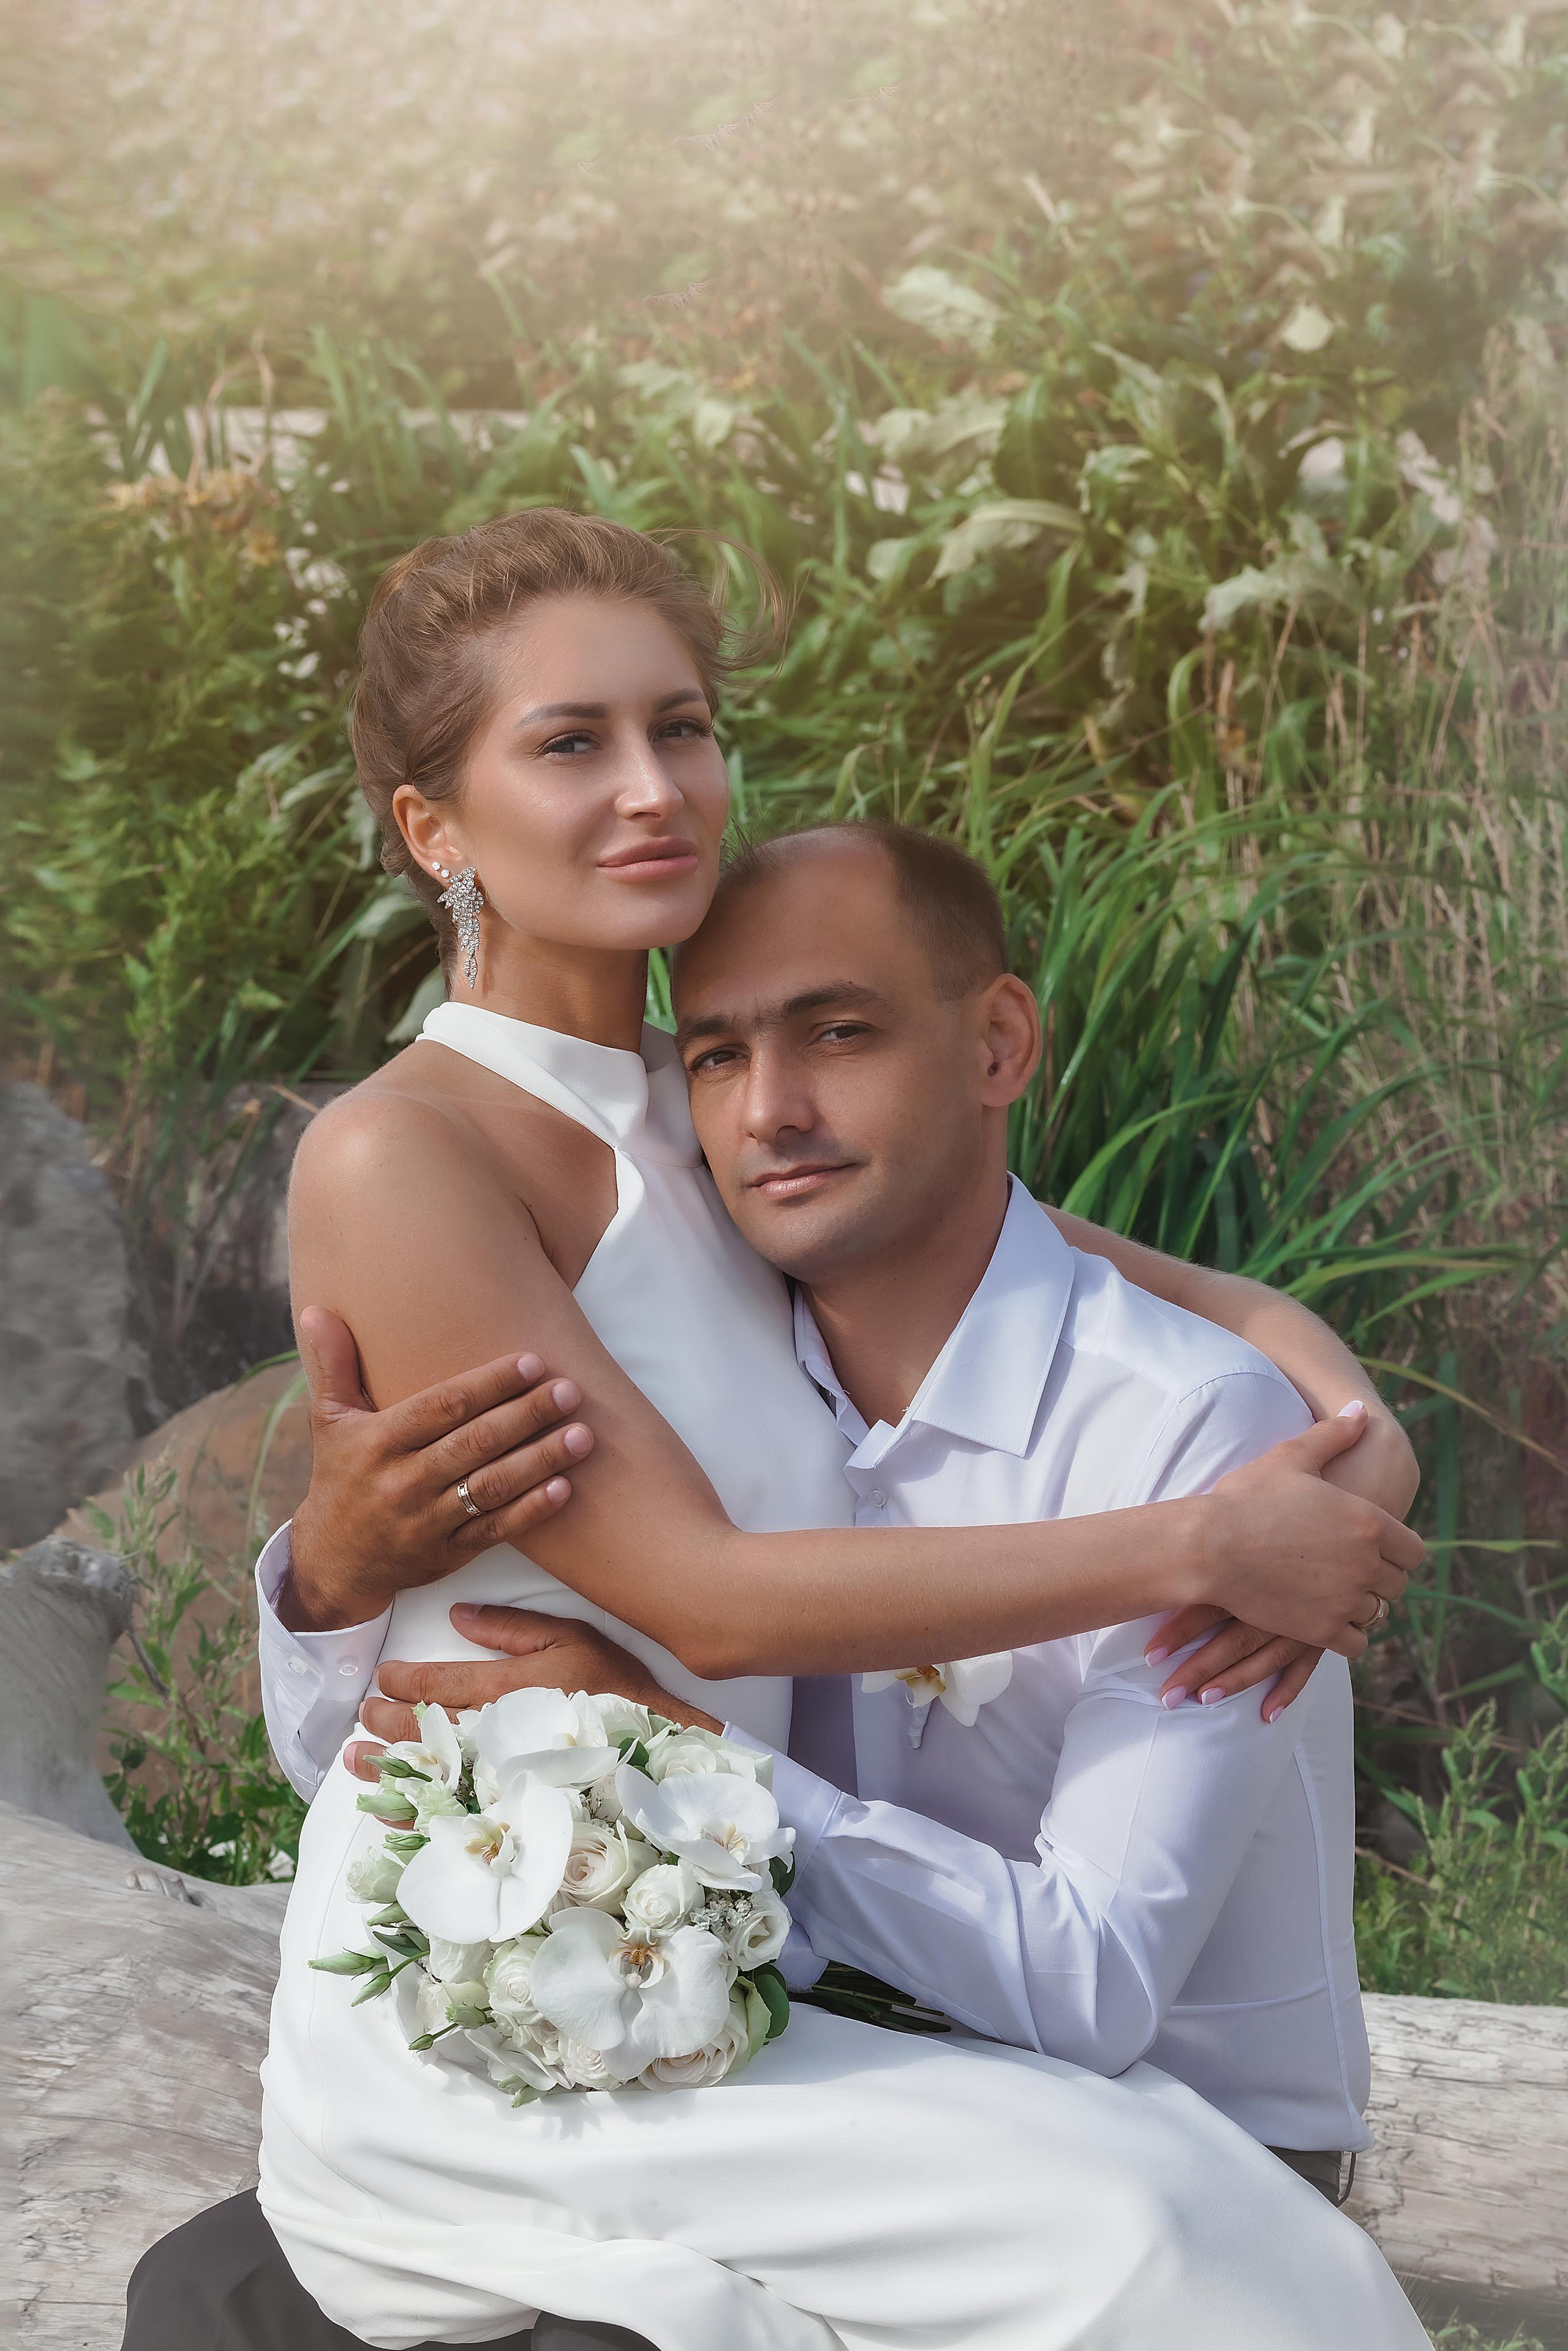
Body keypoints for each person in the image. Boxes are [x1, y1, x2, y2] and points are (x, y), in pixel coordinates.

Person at [154, 510, 1427, 2351]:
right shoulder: (402, 1148)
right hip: (492, 1979)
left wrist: (1348, 1417)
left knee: (1192, 2214)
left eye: (681, 725)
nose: (652, 785)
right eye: (570, 742)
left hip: (716, 1941)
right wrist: (1197, 1541)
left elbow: (1085, 1254)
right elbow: (701, 1596)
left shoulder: (705, 1103)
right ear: (437, 828)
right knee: (1168, 2235)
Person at [318, 822, 1400, 2219]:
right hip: (806, 2089)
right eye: (717, 1055)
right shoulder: (723, 1360)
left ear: (998, 1044)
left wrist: (676, 1765)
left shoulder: (1197, 1441)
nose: (769, 1110)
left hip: (1182, 2161)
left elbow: (1092, 1987)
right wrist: (334, 1574)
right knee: (247, 2278)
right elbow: (366, 1725)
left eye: (838, 1033)